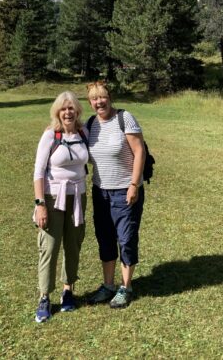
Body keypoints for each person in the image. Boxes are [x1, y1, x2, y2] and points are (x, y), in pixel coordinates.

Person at [86, 81, 146, 308]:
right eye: (94, 98)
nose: (99, 102)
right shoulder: (91, 124)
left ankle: (125, 286)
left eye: (102, 97)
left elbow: (139, 151)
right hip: (100, 192)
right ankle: (108, 285)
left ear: (110, 97)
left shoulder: (125, 118)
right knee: (105, 238)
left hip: (124, 190)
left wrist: (134, 185)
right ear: (90, 102)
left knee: (126, 238)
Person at [33, 91, 89, 323]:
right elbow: (38, 172)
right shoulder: (50, 135)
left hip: (78, 196)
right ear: (58, 111)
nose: (68, 112)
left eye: (72, 108)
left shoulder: (83, 133)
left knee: (73, 244)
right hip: (53, 197)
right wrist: (40, 205)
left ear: (77, 111)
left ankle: (68, 290)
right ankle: (45, 296)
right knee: (50, 246)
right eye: (64, 108)